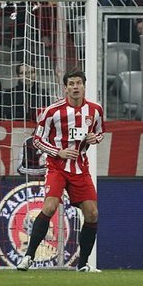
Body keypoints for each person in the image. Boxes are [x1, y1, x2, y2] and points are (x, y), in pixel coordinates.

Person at [17, 68, 105, 272]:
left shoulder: (95, 110)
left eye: (78, 83)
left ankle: (83, 265)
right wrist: (59, 152)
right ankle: (28, 257)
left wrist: (95, 138)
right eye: (71, 84)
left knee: (92, 214)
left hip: (80, 168)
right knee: (49, 206)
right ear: (65, 88)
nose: (75, 87)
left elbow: (100, 132)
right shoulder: (52, 112)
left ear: (84, 86)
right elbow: (37, 140)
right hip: (57, 167)